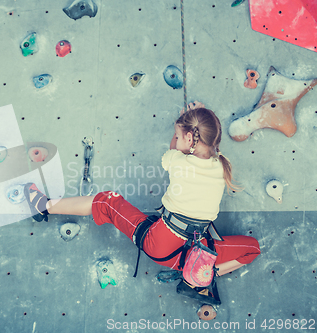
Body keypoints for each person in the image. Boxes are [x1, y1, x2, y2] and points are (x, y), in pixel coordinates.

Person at [23, 102, 260, 305]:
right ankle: (199, 276)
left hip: (160, 244)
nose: (176, 139)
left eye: (179, 135)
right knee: (253, 249)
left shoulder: (178, 161)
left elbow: (175, 150)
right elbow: (206, 144)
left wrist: (189, 125)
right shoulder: (221, 165)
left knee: (107, 202)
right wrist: (198, 122)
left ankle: (44, 206)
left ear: (189, 139)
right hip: (192, 255)